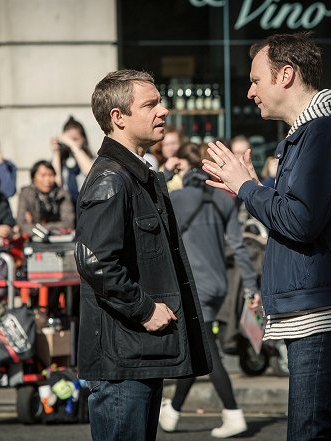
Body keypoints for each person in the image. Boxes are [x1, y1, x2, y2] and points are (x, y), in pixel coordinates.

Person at [202, 32, 331, 441]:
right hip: (319, 305)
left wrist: (248, 188)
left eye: (256, 80)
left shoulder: (323, 134)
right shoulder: (313, 134)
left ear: (286, 75)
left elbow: (299, 221)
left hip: (322, 310)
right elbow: (301, 214)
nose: (249, 92)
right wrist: (252, 189)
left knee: (309, 434)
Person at [76, 69, 212, 441]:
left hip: (139, 354)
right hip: (123, 361)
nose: (163, 111)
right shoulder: (111, 179)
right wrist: (145, 309)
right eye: (150, 104)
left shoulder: (136, 175)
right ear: (118, 117)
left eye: (160, 102)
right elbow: (95, 262)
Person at [160, 142, 259, 438]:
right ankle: (174, 412)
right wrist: (251, 286)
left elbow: (148, 200)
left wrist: (166, 172)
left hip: (195, 286)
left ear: (184, 168)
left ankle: (232, 413)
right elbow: (239, 246)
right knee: (199, 349)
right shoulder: (224, 200)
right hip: (219, 284)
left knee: (208, 352)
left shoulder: (176, 198)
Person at [16, 160, 74, 235]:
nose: (47, 180)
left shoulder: (62, 194)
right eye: (43, 175)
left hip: (58, 238)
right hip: (34, 238)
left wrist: (38, 227)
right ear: (33, 178)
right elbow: (21, 224)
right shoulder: (26, 193)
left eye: (51, 175)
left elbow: (69, 223)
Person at [49, 116, 95, 206]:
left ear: (83, 139)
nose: (70, 143)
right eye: (68, 140)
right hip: (65, 209)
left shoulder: (92, 159)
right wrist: (56, 153)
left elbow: (91, 173)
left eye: (75, 139)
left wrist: (73, 145)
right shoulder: (58, 160)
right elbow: (55, 183)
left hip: (87, 206)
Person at [152, 126, 184, 191]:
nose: (170, 148)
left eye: (173, 143)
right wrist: (167, 171)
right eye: (166, 144)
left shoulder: (187, 164)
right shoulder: (156, 168)